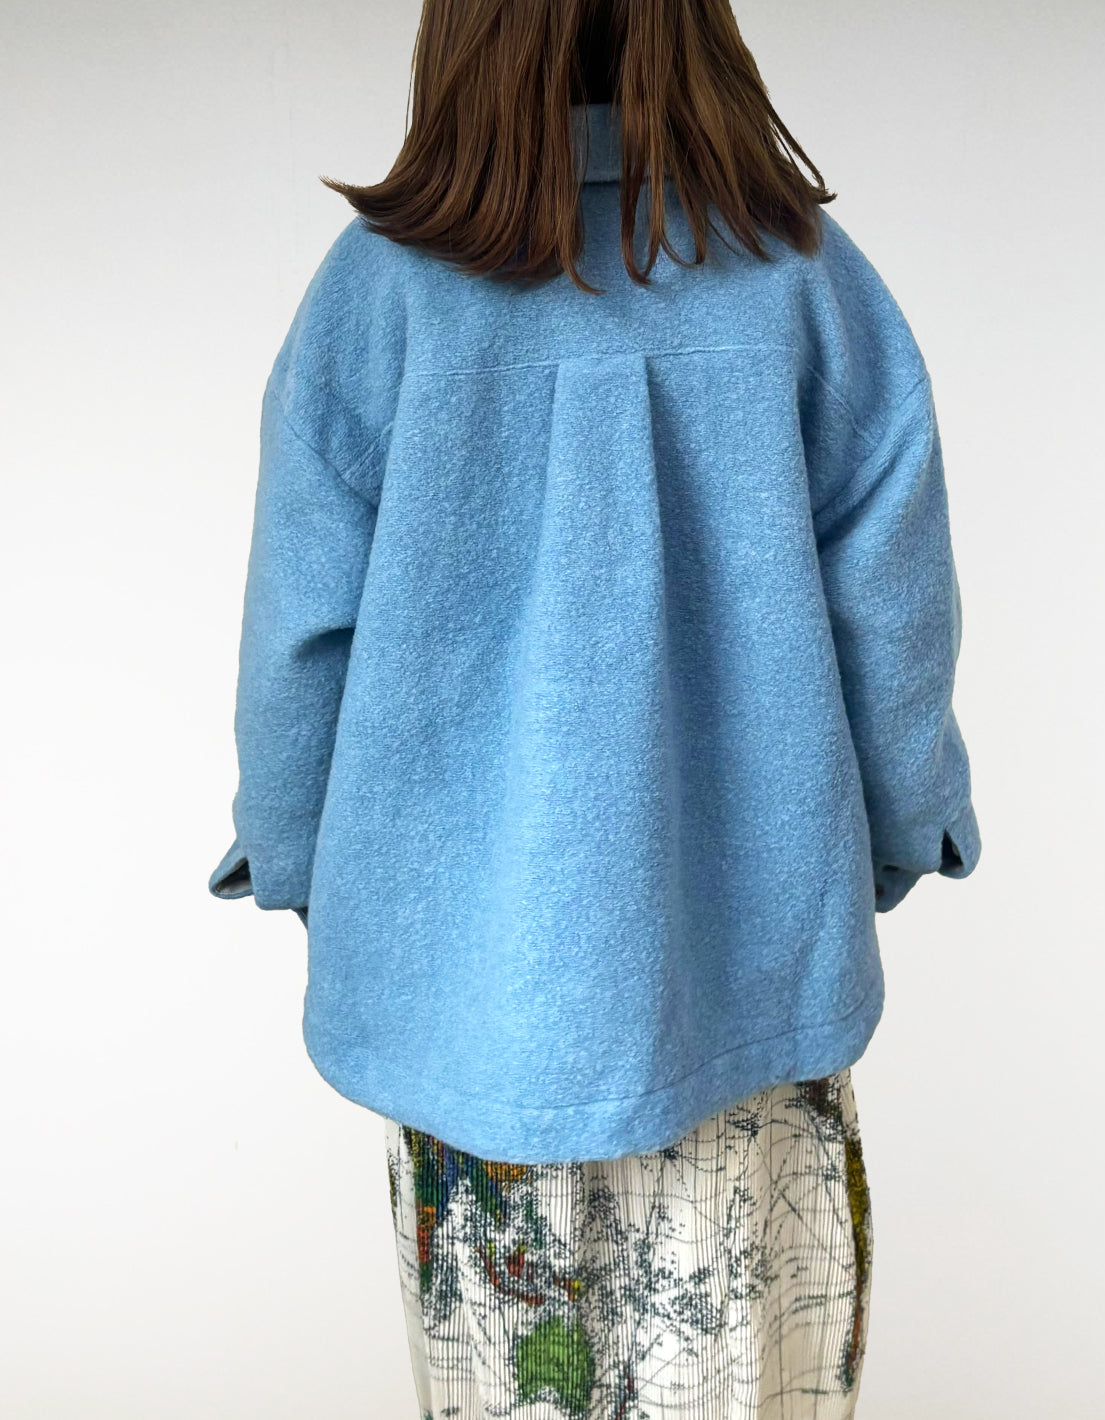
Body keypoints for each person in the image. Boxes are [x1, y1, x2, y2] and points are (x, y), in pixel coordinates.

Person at [208, 1, 980, 1414]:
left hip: (467, 1012)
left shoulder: (380, 289)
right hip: (752, 994)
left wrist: (300, 853)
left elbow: (299, 630)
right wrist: (901, 826)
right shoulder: (803, 277)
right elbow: (895, 610)